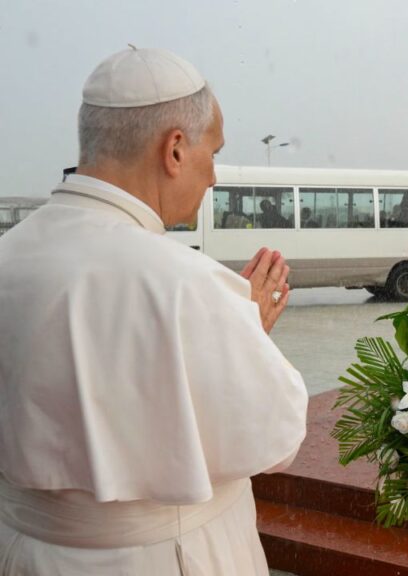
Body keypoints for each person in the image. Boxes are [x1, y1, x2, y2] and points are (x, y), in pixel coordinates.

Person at [0, 47, 308, 575]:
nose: (213, 178)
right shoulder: (189, 284)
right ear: (175, 150)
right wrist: (245, 329)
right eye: (213, 153)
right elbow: (274, 442)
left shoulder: (9, 255)